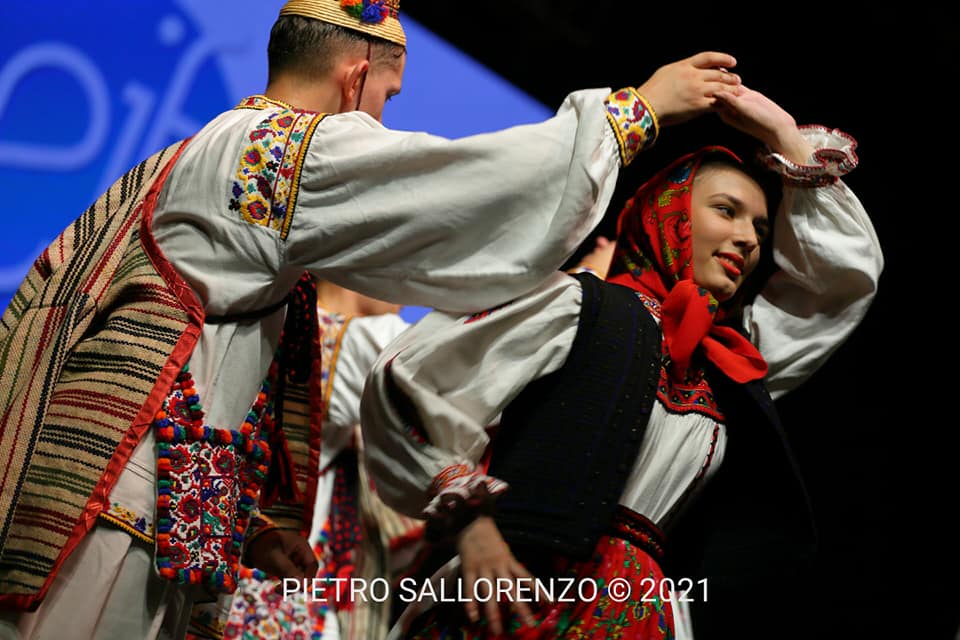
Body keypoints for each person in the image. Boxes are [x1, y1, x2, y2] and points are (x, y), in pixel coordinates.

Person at [0, 0, 745, 635]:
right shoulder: (268, 150)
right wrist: (633, 112)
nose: (385, 120)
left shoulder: (204, 156)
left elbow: (199, 364)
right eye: (389, 97)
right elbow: (462, 188)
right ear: (356, 79)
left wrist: (252, 526)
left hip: (148, 517)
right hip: (114, 516)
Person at [359, 85, 883, 639]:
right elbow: (413, 379)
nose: (746, 239)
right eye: (726, 211)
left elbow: (841, 284)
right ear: (670, 214)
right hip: (518, 593)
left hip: (640, 620)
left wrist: (781, 133)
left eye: (759, 228)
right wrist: (471, 522)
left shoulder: (735, 361)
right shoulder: (580, 307)